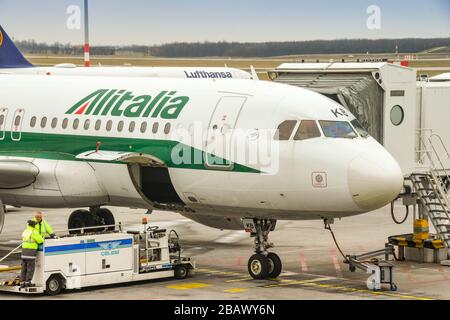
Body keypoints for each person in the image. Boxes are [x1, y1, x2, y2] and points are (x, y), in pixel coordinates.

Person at [20, 220, 44, 288]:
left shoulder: (25, 231)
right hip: (30, 254)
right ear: (33, 225)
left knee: (23, 269)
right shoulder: (34, 232)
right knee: (30, 269)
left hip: (23, 253)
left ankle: (22, 283)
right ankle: (28, 283)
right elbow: (41, 240)